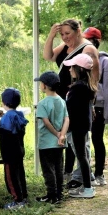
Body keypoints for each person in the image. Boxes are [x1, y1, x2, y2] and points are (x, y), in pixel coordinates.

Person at [43, 19, 99, 187]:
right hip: (66, 99)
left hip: (79, 99)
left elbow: (94, 78)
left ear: (78, 30)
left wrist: (91, 103)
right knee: (71, 139)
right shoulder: (66, 47)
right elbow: (48, 56)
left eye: (67, 33)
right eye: (62, 34)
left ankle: (83, 177)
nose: (65, 37)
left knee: (81, 142)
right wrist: (51, 36)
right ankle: (79, 175)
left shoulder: (88, 48)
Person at [82, 27, 108, 186]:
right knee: (82, 140)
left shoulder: (105, 61)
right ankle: (82, 174)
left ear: (96, 41)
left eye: (89, 40)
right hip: (85, 104)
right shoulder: (80, 58)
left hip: (99, 107)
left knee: (97, 139)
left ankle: (99, 174)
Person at [63, 53, 97, 198]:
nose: (70, 69)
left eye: (72, 67)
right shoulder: (87, 86)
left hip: (77, 126)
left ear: (79, 69)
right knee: (82, 155)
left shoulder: (77, 88)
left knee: (81, 156)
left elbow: (69, 109)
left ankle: (88, 189)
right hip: (83, 126)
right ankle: (89, 182)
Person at [34, 71, 69, 204]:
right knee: (59, 168)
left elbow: (46, 122)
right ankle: (59, 193)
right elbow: (67, 119)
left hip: (46, 143)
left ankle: (51, 195)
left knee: (48, 170)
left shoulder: (42, 104)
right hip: (59, 143)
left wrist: (56, 134)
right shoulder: (61, 100)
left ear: (44, 85)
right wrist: (62, 135)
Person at [0, 88, 29, 210]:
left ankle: (18, 200)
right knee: (20, 174)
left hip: (9, 153)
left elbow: (4, 133)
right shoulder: (19, 115)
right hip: (19, 150)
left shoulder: (7, 118)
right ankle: (23, 195)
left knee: (10, 177)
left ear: (4, 102)